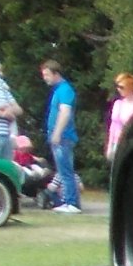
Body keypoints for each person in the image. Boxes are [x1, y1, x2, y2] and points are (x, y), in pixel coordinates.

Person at [40, 59, 82, 213]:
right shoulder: (58, 90)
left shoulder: (65, 90)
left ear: (56, 73)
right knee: (63, 170)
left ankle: (72, 203)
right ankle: (68, 201)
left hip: (63, 136)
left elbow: (65, 112)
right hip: (59, 136)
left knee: (66, 171)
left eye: (47, 74)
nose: (45, 78)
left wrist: (57, 133)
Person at [105, 71, 133, 160]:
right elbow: (113, 126)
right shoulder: (118, 104)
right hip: (117, 143)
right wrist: (110, 146)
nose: (118, 89)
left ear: (130, 87)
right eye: (117, 87)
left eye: (121, 87)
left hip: (132, 144)